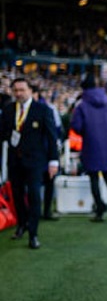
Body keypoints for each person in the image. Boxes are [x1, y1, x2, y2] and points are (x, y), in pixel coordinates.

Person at [0, 78, 59, 249]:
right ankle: (22, 224)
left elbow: (51, 137)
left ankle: (33, 234)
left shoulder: (43, 110)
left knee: (34, 196)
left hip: (35, 162)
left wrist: (53, 161)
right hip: (14, 161)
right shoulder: (8, 109)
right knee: (17, 195)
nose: (18, 93)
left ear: (30, 91)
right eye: (15, 90)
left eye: (22, 90)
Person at [69, 73, 107, 222]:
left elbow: (76, 126)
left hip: (90, 145)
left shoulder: (82, 105)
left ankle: (100, 209)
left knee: (94, 179)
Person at [32, 84, 63, 220]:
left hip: (47, 151)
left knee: (49, 181)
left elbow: (57, 131)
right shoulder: (22, 110)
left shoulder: (49, 109)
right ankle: (36, 211)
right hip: (34, 153)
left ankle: (46, 210)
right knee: (34, 184)